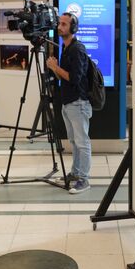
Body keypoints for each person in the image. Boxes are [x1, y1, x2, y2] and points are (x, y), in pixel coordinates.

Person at [46, 12, 92, 194]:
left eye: (64, 24)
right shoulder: (66, 48)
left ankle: (84, 179)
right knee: (74, 141)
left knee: (82, 142)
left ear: (73, 28)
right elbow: (64, 78)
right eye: (59, 23)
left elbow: (74, 78)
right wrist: (55, 68)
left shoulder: (77, 49)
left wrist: (55, 68)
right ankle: (75, 172)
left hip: (78, 103)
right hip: (68, 102)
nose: (60, 26)